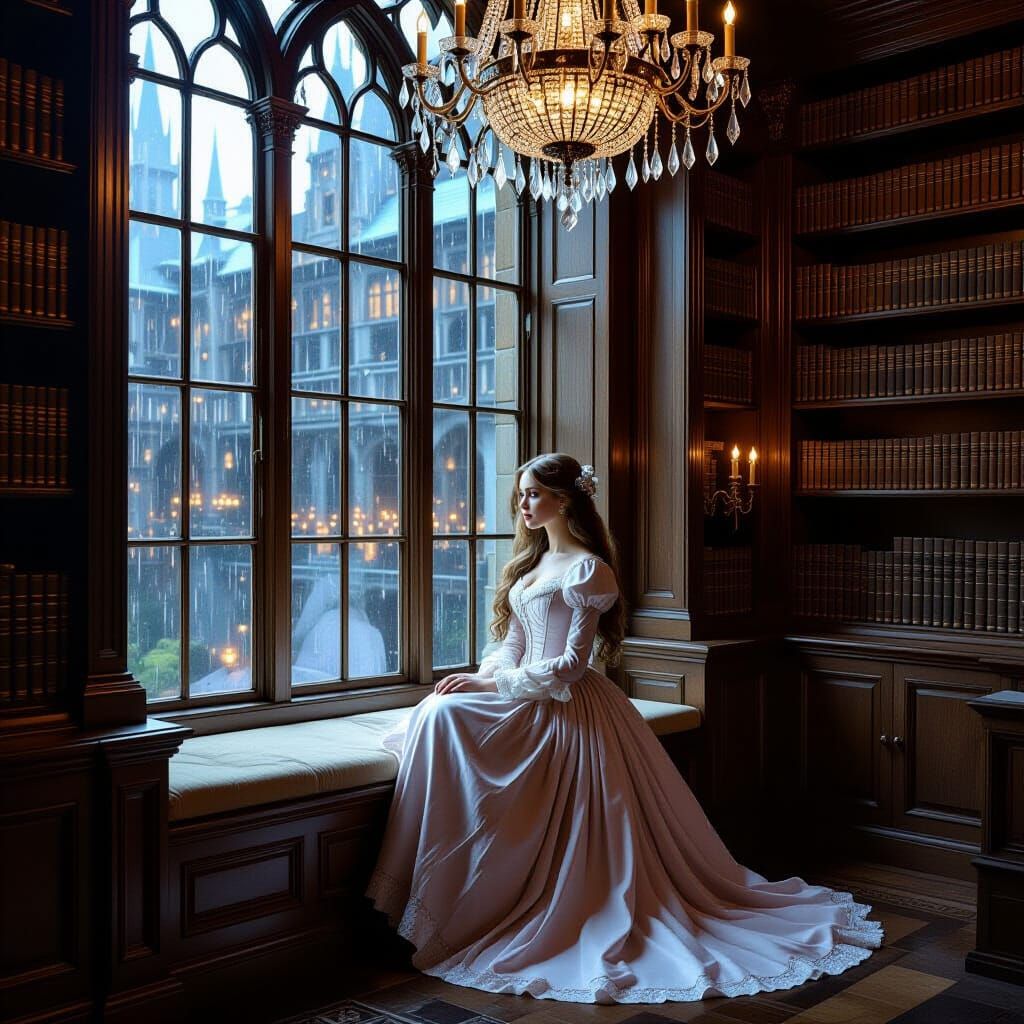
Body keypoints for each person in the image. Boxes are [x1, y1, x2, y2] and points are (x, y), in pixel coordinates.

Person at [365, 453, 883, 1004]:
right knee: (436, 711)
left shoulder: (589, 569)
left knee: (445, 715)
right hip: (524, 691)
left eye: (533, 494)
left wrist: (491, 689)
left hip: (568, 705)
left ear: (565, 501)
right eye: (521, 494)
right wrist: (479, 676)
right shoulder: (528, 565)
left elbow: (568, 665)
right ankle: (442, 893)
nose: (523, 505)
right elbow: (514, 645)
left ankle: (489, 895)